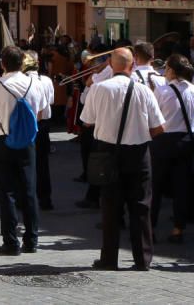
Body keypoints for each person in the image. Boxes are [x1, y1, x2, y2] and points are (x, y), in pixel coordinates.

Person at [81, 48, 166, 271]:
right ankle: (142, 259)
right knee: (141, 207)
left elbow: (87, 121)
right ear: (133, 65)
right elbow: (159, 127)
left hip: (107, 152)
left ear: (111, 64)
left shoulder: (99, 88)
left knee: (110, 206)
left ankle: (109, 259)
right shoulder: (144, 91)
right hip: (138, 153)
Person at [0, 46, 50, 255]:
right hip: (28, 142)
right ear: (23, 63)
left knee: (6, 192)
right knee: (29, 191)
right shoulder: (36, 84)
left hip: (2, 141)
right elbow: (42, 114)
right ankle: (32, 240)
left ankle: (10, 242)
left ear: (2, 63)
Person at [150, 55, 194, 244]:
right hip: (188, 140)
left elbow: (152, 117)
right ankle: (178, 229)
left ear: (172, 71)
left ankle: (150, 228)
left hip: (164, 140)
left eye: (166, 68)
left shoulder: (161, 91)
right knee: (182, 186)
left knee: (156, 186)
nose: (164, 72)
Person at [24, 50, 55, 211]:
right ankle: (45, 198)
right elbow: (51, 101)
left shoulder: (22, 81)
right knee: (43, 163)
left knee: (26, 162)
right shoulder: (47, 80)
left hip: (29, 125)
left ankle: (27, 199)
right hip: (44, 125)